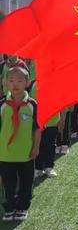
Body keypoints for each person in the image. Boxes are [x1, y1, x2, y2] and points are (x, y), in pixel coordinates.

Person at [0, 66, 41, 221]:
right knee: (8, 184)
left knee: (26, 182)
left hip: (26, 153)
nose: (15, 84)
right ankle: (10, 208)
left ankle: (23, 207)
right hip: (5, 153)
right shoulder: (2, 105)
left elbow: (37, 129)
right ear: (5, 83)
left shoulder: (32, 105)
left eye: (19, 80)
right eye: (11, 80)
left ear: (27, 83)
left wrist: (36, 148)